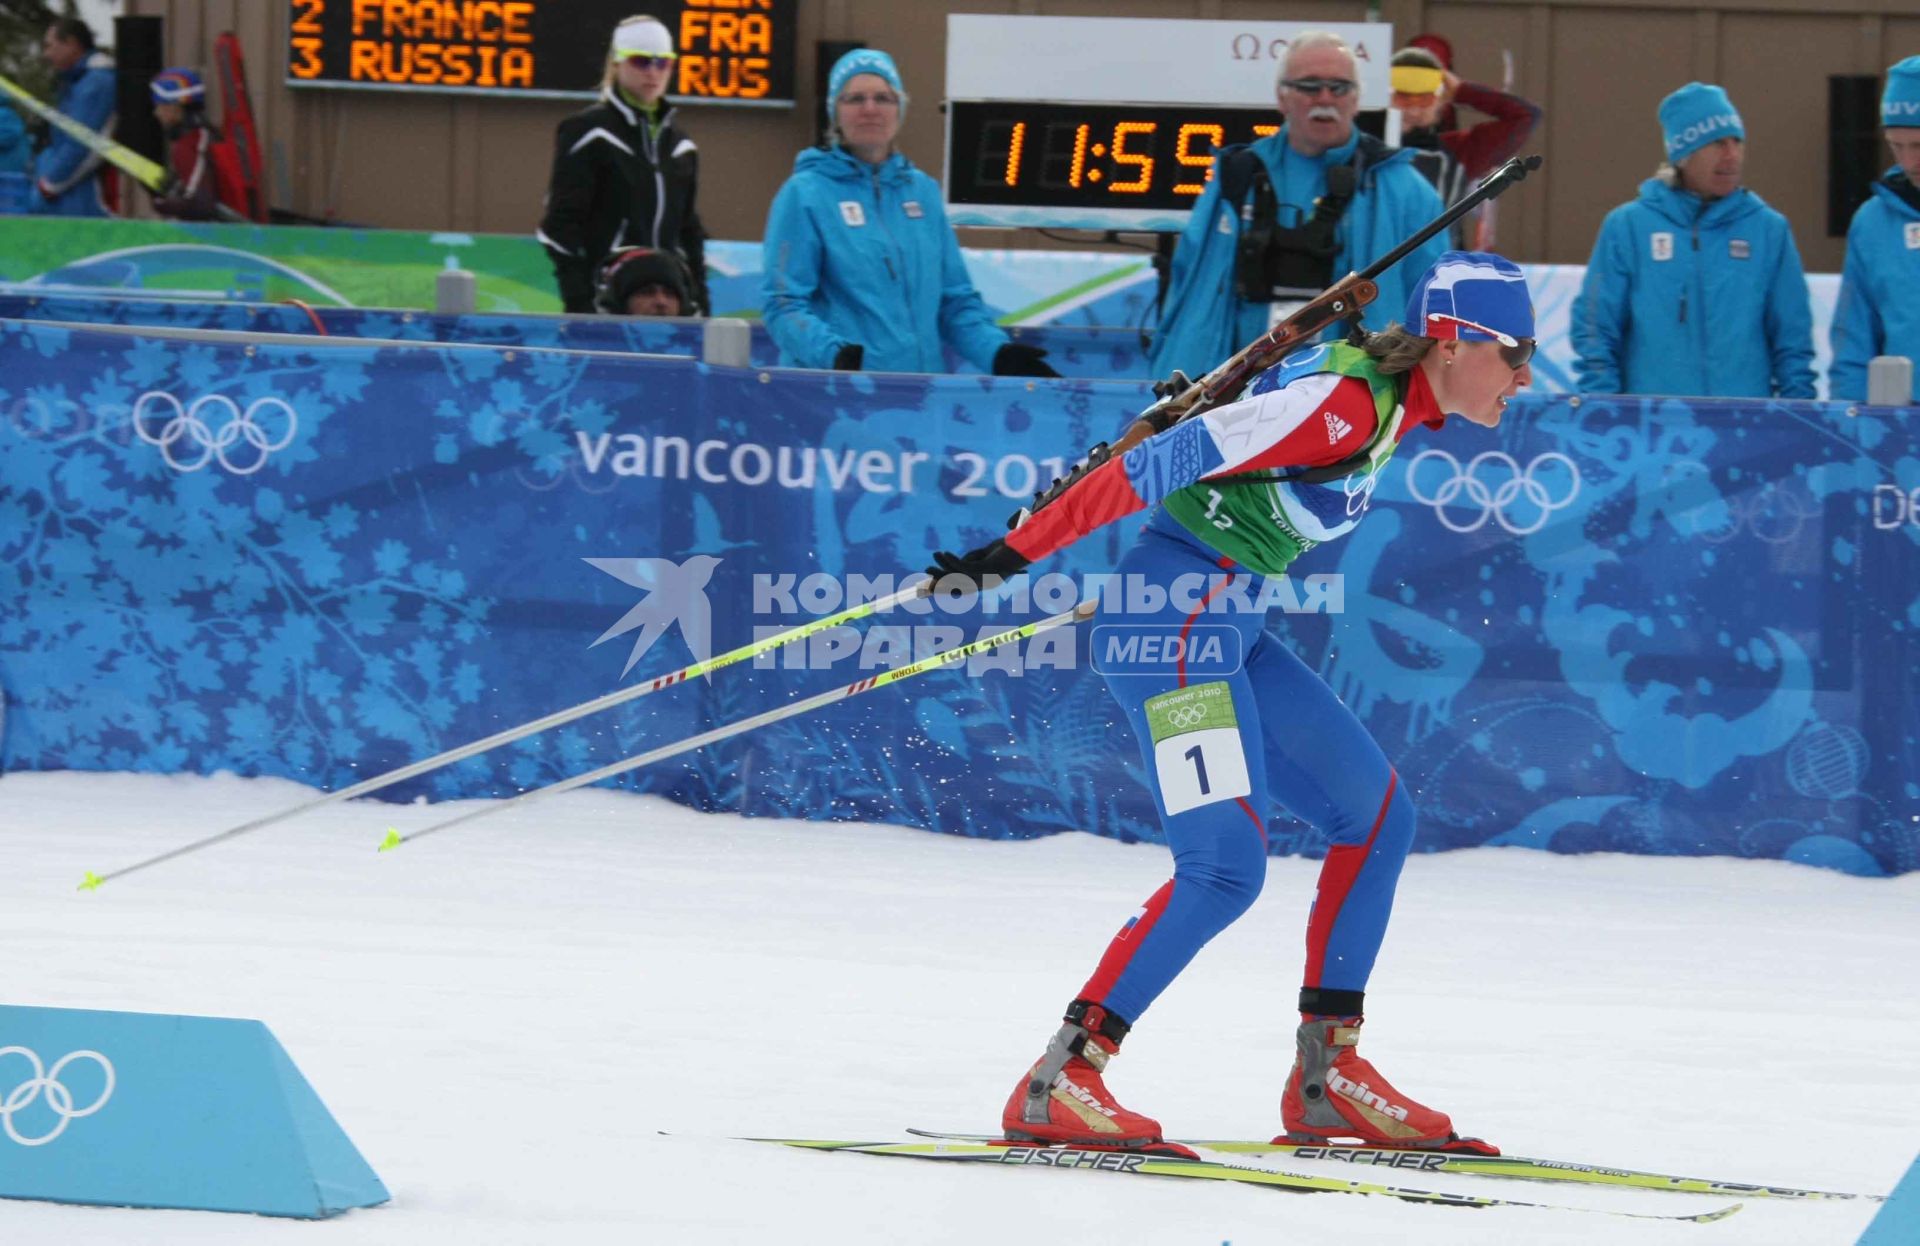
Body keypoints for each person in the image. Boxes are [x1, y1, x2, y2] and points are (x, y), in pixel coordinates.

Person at [929, 252, 1537, 1153]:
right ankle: (1061, 1078)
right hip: (1169, 629)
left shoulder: (1388, 402)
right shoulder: (1345, 404)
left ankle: (1327, 1076)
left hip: (1226, 623)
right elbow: (1159, 461)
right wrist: (1016, 554)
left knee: (1376, 819)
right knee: (1224, 864)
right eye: (1513, 351)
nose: (1525, 376)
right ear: (1450, 345)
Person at [1147, 32, 1447, 382]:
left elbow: (1432, 307)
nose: (1325, 98)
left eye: (1339, 87)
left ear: (1356, 99)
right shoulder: (1234, 180)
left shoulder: (1405, 191)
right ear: (1281, 97)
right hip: (1232, 397)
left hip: (1354, 396)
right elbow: (1189, 291)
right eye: (1309, 86)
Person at [760, 48, 1056, 377]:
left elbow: (954, 302)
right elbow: (783, 305)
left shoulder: (923, 193)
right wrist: (835, 356)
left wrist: (997, 353)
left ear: (899, 108)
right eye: (855, 98)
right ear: (835, 111)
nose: (870, 109)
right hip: (839, 399)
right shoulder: (804, 195)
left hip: (921, 397)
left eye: (882, 98)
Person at [1573, 82, 1814, 398]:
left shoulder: (1769, 230)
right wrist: (1603, 407)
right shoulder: (1628, 227)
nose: (1732, 156)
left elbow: (1793, 339)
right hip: (1651, 427)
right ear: (1683, 154)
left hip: (1744, 429)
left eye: (1737, 142)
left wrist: (1797, 416)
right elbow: (1595, 327)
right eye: (1717, 144)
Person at [539, 15, 708, 315]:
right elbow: (560, 227)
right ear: (617, 63)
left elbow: (688, 233)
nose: (653, 72)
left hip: (666, 301)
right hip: (608, 300)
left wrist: (700, 304)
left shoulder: (681, 146)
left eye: (663, 63)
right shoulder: (589, 132)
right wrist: (580, 303)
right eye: (641, 61)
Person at [1830, 57, 1920, 402]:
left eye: (1919, 146)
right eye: (1897, 146)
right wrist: (1849, 426)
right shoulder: (1872, 223)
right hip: (1901, 427)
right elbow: (1853, 336)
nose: (1909, 162)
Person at [1390, 45, 1540, 231]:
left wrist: (1461, 91)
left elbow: (1525, 117)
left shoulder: (1458, 151)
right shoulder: (1361, 146)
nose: (1413, 109)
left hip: (1436, 257)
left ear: (1441, 100)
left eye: (1424, 99)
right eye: (1402, 97)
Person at [29, 17, 116, 217]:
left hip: (84, 198)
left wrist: (50, 184)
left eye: (50, 46)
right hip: (68, 195)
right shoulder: (76, 82)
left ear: (72, 43)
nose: (46, 54)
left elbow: (83, 144)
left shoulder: (96, 83)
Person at [146, 68, 243, 221]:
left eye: (160, 105)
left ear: (175, 107)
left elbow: (201, 205)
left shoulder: (190, 143)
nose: (156, 112)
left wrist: (160, 203)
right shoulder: (208, 135)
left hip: (221, 238)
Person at [595, 245, 696, 317]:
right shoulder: (590, 346)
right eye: (647, 292)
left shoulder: (705, 346)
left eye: (670, 294)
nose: (661, 302)